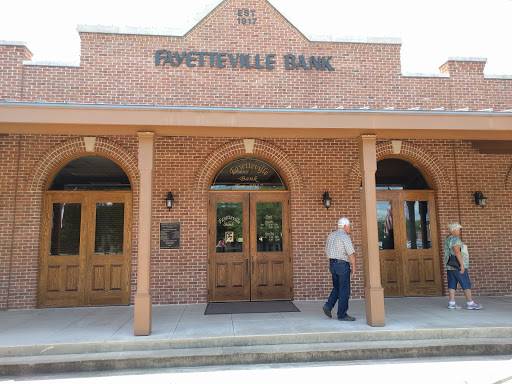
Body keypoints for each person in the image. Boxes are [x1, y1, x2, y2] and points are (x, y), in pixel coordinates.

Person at [322, 217, 357, 321]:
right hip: (342, 265)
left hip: (332, 264)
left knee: (337, 287)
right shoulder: (344, 236)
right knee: (344, 290)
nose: (349, 228)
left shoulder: (331, 235)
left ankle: (328, 306)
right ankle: (342, 314)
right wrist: (354, 266)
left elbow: (326, 252)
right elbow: (351, 253)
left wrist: (332, 262)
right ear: (345, 226)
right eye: (349, 226)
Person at [445, 222, 483, 310]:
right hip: (458, 265)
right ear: (454, 230)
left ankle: (452, 302)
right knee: (465, 282)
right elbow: (457, 252)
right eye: (459, 229)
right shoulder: (455, 239)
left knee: (452, 283)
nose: (459, 231)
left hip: (450, 265)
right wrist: (462, 265)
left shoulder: (447, 238)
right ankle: (470, 303)